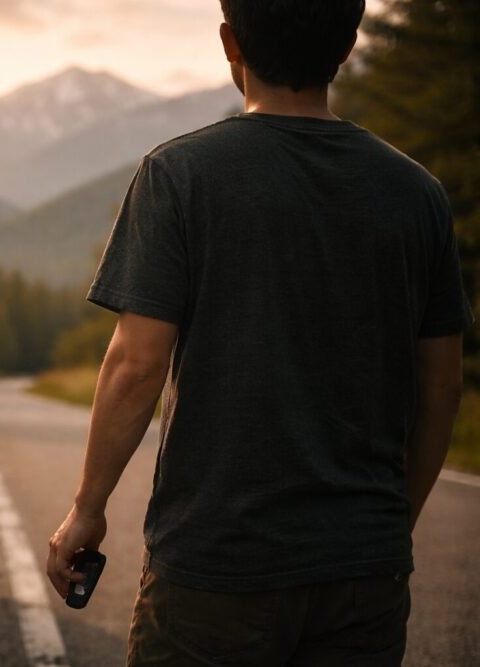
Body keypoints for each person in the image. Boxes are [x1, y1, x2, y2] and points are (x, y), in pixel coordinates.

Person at [45, 1, 474, 664]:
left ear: (231, 43)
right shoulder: (418, 194)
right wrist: (388, 525)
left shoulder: (179, 174)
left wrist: (88, 507)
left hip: (215, 568)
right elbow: (441, 387)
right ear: (347, 45)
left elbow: (135, 365)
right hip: (364, 574)